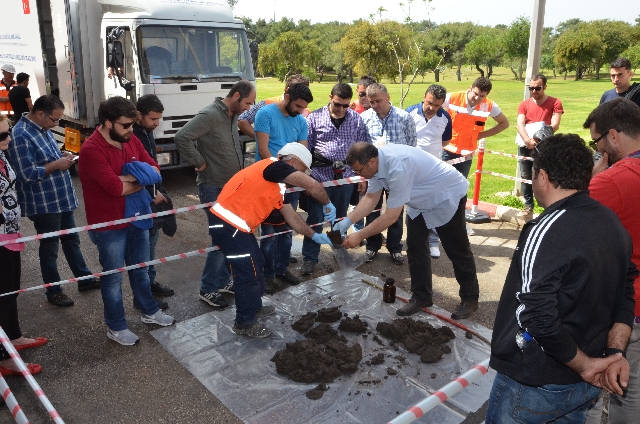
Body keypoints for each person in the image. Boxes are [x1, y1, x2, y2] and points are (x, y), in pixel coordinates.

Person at [486, 133, 636, 423]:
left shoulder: (543, 230)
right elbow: (625, 293)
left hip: (535, 382)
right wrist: (615, 353)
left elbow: (535, 313)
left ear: (542, 176)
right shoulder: (612, 222)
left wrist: (585, 365)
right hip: (584, 384)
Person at [338, 142, 480, 320]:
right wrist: (348, 221)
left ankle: (470, 298)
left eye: (358, 171)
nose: (357, 175)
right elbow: (371, 197)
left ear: (371, 162)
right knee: (415, 246)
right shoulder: (374, 166)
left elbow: (390, 217)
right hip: (419, 199)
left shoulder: (398, 166)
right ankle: (421, 296)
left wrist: (359, 235)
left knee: (457, 249)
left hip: (445, 195)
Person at [209, 143, 334, 337]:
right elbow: (312, 185)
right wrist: (327, 203)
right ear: (292, 161)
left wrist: (314, 235)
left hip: (237, 228)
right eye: (301, 170)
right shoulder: (275, 166)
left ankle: (254, 307)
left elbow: (291, 216)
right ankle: (244, 322)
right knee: (247, 274)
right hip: (229, 226)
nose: (300, 176)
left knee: (257, 263)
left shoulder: (276, 184)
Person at [78, 96, 174, 346]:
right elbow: (114, 189)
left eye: (133, 125)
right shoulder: (91, 150)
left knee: (141, 270)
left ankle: (149, 312)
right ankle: (116, 327)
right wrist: (138, 179)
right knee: (113, 279)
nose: (132, 130)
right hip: (109, 225)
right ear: (108, 123)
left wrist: (129, 178)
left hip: (137, 217)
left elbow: (155, 170)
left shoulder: (130, 138)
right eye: (125, 125)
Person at [8, 94, 98, 307]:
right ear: (40, 114)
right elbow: (26, 174)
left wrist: (62, 155)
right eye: (55, 120)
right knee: (50, 248)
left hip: (60, 197)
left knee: (71, 240)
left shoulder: (42, 128)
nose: (57, 124)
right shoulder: (20, 135)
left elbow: (47, 157)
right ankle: (53, 290)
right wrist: (56, 165)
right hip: (44, 203)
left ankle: (84, 279)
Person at [174, 80, 256, 308]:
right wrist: (199, 162)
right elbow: (182, 137)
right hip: (213, 187)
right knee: (221, 238)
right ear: (237, 96)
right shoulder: (210, 115)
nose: (249, 108)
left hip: (230, 188)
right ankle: (207, 289)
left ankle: (221, 281)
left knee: (229, 237)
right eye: (247, 103)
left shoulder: (232, 114)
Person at [583, 98, 640, 423]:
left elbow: (563, 219)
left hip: (617, 311)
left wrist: (592, 177)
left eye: (597, 142)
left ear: (614, 136)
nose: (597, 148)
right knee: (630, 397)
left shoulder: (611, 182)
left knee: (590, 394)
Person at [254, 83, 318, 290]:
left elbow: (303, 153)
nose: (300, 111)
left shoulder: (300, 121)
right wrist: (282, 174)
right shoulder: (265, 114)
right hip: (268, 182)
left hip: (289, 183)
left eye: (303, 108)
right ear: (287, 97)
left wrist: (299, 178)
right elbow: (263, 151)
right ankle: (266, 275)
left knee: (287, 229)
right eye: (298, 106)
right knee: (269, 233)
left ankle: (281, 269)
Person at [300, 83, 366, 276]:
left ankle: (340, 253)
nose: (341, 109)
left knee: (340, 218)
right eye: (338, 104)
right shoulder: (313, 118)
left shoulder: (356, 120)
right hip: (319, 178)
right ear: (331, 97)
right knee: (315, 219)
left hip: (345, 178)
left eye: (346, 105)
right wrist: (305, 177)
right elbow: (305, 149)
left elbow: (362, 147)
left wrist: (361, 176)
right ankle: (310, 258)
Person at [0, 115, 47, 377]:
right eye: (2, 135)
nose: (8, 138)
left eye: (8, 133)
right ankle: (4, 357)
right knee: (2, 295)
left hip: (10, 234)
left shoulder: (3, 154)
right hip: (1, 236)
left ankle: (13, 337)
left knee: (11, 290)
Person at [360, 83, 417, 265]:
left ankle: (395, 247)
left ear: (388, 97)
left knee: (396, 211)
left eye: (378, 101)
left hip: (397, 174)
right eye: (372, 101)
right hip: (374, 174)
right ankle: (372, 245)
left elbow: (412, 146)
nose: (375, 105)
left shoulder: (404, 118)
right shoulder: (365, 118)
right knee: (372, 210)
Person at [133, 94, 173, 310]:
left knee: (152, 243)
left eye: (159, 119)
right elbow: (137, 171)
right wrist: (150, 194)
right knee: (143, 248)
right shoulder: (132, 136)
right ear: (138, 115)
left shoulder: (147, 132)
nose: (156, 124)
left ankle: (150, 282)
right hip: (142, 200)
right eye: (152, 119)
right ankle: (142, 294)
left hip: (154, 194)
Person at [406, 84, 452, 259]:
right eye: (429, 102)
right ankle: (412, 241)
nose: (432, 108)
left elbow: (445, 142)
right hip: (411, 169)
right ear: (424, 97)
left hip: (433, 171)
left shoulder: (445, 118)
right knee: (411, 207)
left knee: (432, 206)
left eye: (437, 105)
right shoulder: (409, 113)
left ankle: (433, 242)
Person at [515, 73, 564, 217]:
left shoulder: (555, 103)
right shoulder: (524, 104)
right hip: (525, 144)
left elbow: (554, 125)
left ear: (545, 87)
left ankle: (547, 206)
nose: (534, 92)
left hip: (544, 145)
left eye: (538, 88)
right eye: (531, 88)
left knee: (544, 175)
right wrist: (526, 140)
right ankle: (528, 205)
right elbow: (519, 123)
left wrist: (536, 140)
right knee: (525, 175)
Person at [442, 77, 509, 178]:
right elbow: (431, 107)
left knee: (460, 187)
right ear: (470, 89)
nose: (477, 98)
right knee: (439, 184)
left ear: (487, 95)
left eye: (482, 96)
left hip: (466, 154)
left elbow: (504, 123)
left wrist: (482, 135)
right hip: (446, 149)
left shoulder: (490, 105)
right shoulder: (452, 97)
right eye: (475, 93)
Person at [237, 74, 310, 139]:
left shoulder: (306, 111)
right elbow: (242, 121)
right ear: (288, 89)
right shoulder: (267, 104)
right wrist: (261, 139)